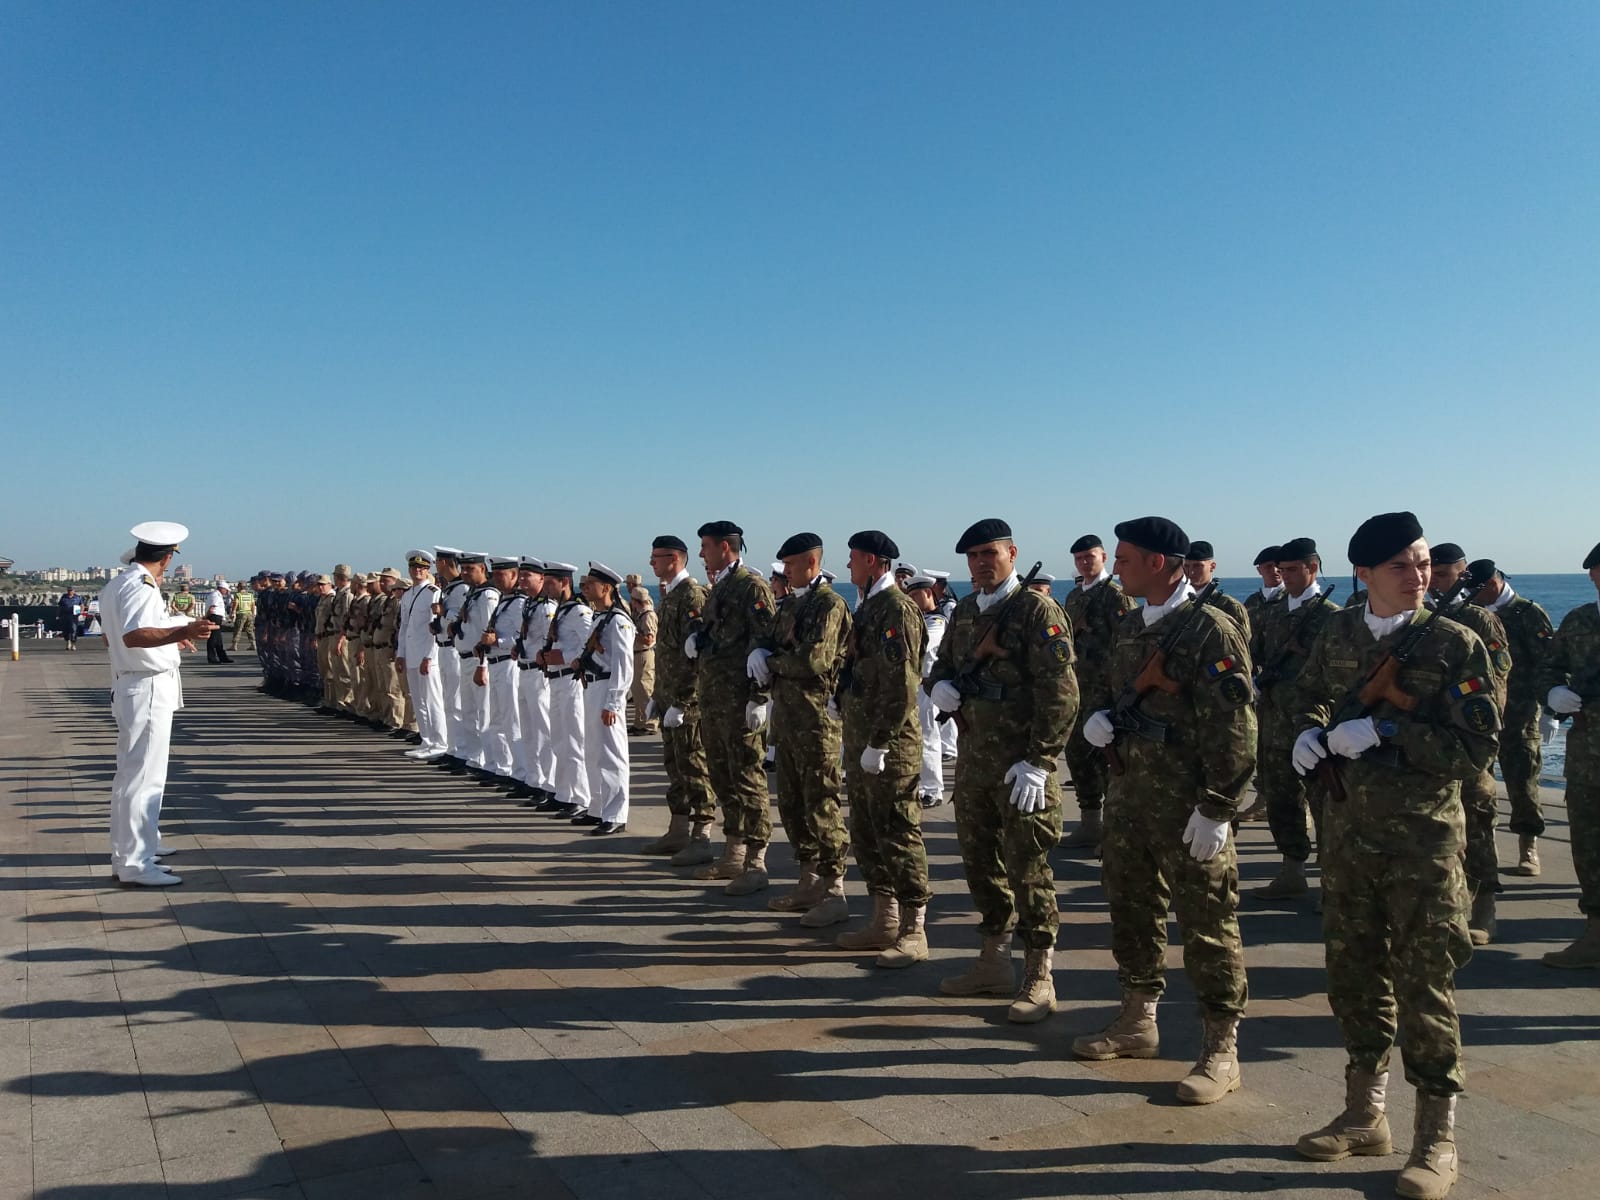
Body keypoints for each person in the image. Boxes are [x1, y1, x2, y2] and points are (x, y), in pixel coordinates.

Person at [1290, 512, 1497, 1199]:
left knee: (1425, 985)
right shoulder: (1339, 633)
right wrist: (1308, 734)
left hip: (1422, 844)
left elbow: (1475, 751)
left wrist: (1385, 732)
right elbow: (1306, 697)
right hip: (1347, 837)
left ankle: (1436, 1137)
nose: (1418, 575)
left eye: (1423, 562)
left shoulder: (1455, 643)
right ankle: (1363, 1114)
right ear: (1365, 574)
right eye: (1401, 566)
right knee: (1353, 976)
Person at [1076, 517, 1254, 1105]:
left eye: (1124, 559)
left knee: (1208, 925)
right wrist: (1101, 718)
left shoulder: (1210, 630)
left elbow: (1236, 727)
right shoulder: (1132, 626)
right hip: (1130, 797)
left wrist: (1218, 806)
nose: (1116, 568)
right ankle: (1137, 1019)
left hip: (1189, 806)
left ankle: (1221, 1048)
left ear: (1157, 563)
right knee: (1132, 910)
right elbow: (1109, 691)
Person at [926, 518, 1078, 1023]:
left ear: (1012, 553)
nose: (980, 563)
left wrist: (1040, 760)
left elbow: (1061, 693)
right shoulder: (967, 610)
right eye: (972, 557)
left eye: (989, 553)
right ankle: (993, 961)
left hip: (1021, 767)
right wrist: (939, 686)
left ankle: (1040, 975)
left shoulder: (1037, 610)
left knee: (1028, 869)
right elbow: (943, 666)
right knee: (980, 865)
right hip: (974, 763)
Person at [99, 522, 216, 887]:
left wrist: (168, 638)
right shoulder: (141, 586)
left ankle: (131, 853)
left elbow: (111, 637)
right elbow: (134, 635)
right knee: (143, 778)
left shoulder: (117, 585)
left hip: (133, 682)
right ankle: (135, 863)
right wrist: (184, 631)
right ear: (167, 559)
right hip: (145, 685)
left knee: (132, 776)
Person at [835, 530, 932, 967]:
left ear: (873, 561)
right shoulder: (869, 606)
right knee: (867, 831)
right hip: (862, 739)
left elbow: (902, 686)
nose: (849, 566)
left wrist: (879, 742)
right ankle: (884, 917)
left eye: (854, 558)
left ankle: (914, 929)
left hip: (890, 745)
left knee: (898, 831)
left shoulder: (897, 609)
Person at [755, 533, 852, 925]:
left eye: (791, 564)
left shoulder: (829, 604)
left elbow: (814, 660)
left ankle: (834, 891)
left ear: (811, 563)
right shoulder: (793, 604)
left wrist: (771, 662)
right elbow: (771, 640)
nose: (785, 571)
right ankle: (809, 881)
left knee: (822, 807)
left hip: (816, 724)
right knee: (793, 807)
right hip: (789, 720)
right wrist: (762, 652)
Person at [687, 520, 777, 895]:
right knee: (723, 778)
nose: (701, 553)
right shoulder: (720, 586)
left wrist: (759, 697)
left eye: (706, 546)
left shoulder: (750, 587)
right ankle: (734, 853)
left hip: (740, 702)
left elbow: (765, 641)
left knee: (748, 780)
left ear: (725, 547)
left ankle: (756, 862)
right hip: (715, 701)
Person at [1429, 546, 1512, 944]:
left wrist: (1475, 735)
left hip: (1466, 742)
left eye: (1444, 574)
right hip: (1427, 745)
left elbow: (1495, 684)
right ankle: (1448, 909)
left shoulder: (1478, 619)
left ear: (1462, 577)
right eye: (1432, 573)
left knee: (1477, 824)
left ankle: (1484, 907)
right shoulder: (1416, 617)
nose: (1435, 581)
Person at [1250, 536, 1339, 902]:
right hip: (1274, 720)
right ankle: (1292, 870)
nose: (1284, 576)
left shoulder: (1332, 616)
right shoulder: (1273, 612)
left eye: (1291, 569)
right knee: (1280, 798)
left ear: (1312, 568)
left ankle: (1333, 884)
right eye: (1281, 570)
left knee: (1324, 803)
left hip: (1313, 724)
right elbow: (1254, 651)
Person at [1469, 559, 1556, 878]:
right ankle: (1486, 846)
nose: (1473, 596)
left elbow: (1548, 662)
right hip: (1482, 715)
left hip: (1519, 713)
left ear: (1493, 584)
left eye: (1477, 590)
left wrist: (1549, 709)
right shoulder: (1475, 613)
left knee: (1523, 781)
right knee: (1482, 785)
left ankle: (1528, 846)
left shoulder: (1528, 613)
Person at [1537, 540, 1600, 969]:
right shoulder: (1579, 620)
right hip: (1588, 754)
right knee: (1589, 843)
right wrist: (1553, 692)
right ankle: (1596, 933)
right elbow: (1548, 666)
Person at [641, 535, 717, 864]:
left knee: (694, 768)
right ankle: (678, 830)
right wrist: (658, 696)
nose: (651, 562)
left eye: (656, 557)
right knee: (675, 767)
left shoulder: (692, 596)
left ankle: (702, 836)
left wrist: (682, 702)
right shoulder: (672, 595)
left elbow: (696, 657)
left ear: (674, 559)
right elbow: (668, 653)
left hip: (688, 706)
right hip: (670, 698)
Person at [1060, 534, 1137, 852]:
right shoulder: (1074, 596)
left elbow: (1129, 643)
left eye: (1089, 557)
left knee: (1109, 759)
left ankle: (1116, 830)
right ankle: (1090, 822)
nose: (1084, 562)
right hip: (1077, 688)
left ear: (1103, 557)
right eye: (1079, 558)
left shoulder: (1116, 596)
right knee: (1078, 757)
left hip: (1105, 692)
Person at [576, 563, 635, 834]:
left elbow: (624, 666)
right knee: (593, 752)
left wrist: (614, 702)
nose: (585, 587)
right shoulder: (599, 617)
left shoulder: (619, 621)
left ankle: (616, 814)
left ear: (607, 588)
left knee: (612, 754)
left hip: (607, 688)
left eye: (591, 583)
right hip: (591, 687)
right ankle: (597, 807)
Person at [533, 562, 593, 817]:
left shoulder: (579, 612)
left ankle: (580, 797)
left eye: (550, 583)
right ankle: (564, 792)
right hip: (555, 679)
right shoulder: (562, 610)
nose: (546, 587)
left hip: (571, 680)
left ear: (565, 582)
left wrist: (564, 657)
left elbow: (591, 645)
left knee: (574, 740)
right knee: (558, 739)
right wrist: (544, 654)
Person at [508, 558, 557, 804]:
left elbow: (551, 638)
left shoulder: (547, 606)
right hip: (524, 669)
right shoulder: (528, 604)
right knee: (527, 730)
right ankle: (533, 779)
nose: (523, 580)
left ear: (541, 578)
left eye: (527, 576)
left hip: (539, 673)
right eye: (521, 575)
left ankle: (550, 783)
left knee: (543, 731)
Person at [448, 553, 499, 776]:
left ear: (482, 569)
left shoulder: (488, 595)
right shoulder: (472, 593)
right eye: (464, 569)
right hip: (465, 658)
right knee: (469, 711)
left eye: (470, 569)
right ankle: (473, 757)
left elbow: (488, 631)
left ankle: (489, 761)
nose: (465, 573)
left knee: (484, 713)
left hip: (478, 660)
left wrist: (482, 665)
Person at [477, 557, 526, 790]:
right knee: (497, 721)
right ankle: (504, 767)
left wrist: (498, 641)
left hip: (509, 664)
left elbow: (523, 638)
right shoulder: (504, 601)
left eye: (501, 574)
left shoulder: (519, 603)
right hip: (495, 662)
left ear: (514, 576)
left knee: (512, 721)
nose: (496, 578)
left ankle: (521, 772)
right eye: (494, 574)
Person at [396, 551, 448, 761]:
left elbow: (435, 628)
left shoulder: (433, 593)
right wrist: (401, 653)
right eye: (414, 567)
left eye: (422, 568)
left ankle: (440, 742)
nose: (417, 571)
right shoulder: (407, 594)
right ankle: (426, 740)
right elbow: (404, 627)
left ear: (428, 571)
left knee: (432, 701)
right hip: (411, 653)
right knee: (418, 700)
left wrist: (429, 656)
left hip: (427, 655)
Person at [904, 573, 948, 809]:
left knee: (929, 736)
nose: (910, 600)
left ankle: (933, 789)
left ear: (929, 593)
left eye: (914, 595)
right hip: (914, 684)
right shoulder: (920, 619)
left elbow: (921, 645)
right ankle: (920, 784)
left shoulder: (936, 621)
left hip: (928, 685)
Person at [1181, 541, 1250, 633]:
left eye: (1197, 566)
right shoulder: (1178, 601)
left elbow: (1242, 640)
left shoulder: (1229, 606)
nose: (1191, 572)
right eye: (1186, 566)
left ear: (1212, 567)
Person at [627, 585, 659, 734]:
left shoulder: (647, 616)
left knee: (645, 690)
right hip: (637, 654)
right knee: (638, 691)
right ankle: (640, 722)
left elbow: (649, 640)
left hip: (644, 654)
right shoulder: (640, 615)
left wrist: (632, 632)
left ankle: (650, 723)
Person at [1244, 546, 1284, 634]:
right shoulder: (1252, 601)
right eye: (1268, 566)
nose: (1274, 570)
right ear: (1259, 570)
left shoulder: (1292, 599)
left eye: (1278, 565)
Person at [203, 580, 233, 663]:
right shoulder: (215, 595)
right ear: (222, 588)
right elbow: (212, 608)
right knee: (213, 638)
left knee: (218, 639)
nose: (226, 592)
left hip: (217, 617)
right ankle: (212, 658)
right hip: (214, 617)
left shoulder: (217, 595)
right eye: (226, 590)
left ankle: (222, 657)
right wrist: (206, 616)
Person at [230, 576, 257, 652]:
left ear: (239, 587)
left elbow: (235, 603)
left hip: (241, 613)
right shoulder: (250, 595)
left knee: (238, 629)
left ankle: (234, 645)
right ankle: (253, 644)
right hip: (249, 613)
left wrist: (233, 612)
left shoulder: (238, 595)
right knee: (250, 630)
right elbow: (253, 605)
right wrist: (253, 614)